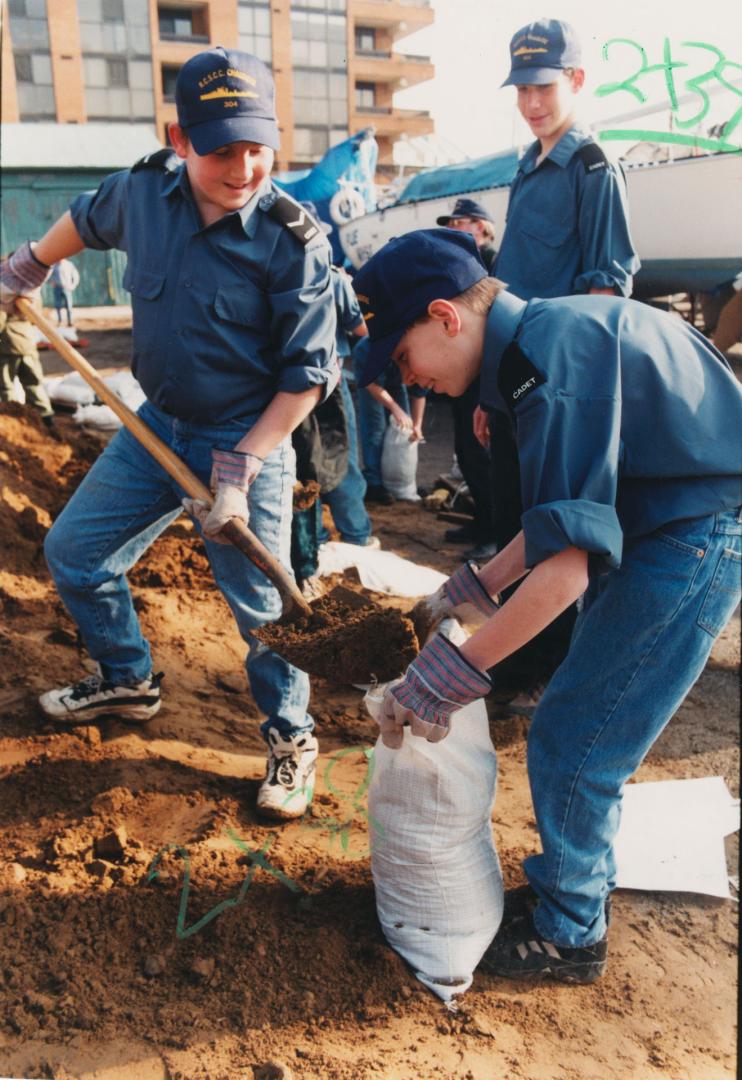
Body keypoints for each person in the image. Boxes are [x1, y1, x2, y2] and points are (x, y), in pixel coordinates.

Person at [353, 227, 741, 984]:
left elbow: (564, 575)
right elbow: (563, 518)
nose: (412, 382)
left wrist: (453, 673)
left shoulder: (549, 362)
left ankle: (569, 934)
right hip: (668, 525)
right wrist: (479, 584)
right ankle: (573, 898)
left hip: (694, 535)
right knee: (582, 721)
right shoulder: (542, 343)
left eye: (404, 360)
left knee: (575, 739)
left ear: (446, 316)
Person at [0, 47, 339, 821]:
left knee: (264, 609)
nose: (244, 166)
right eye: (223, 149)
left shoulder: (294, 241)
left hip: (245, 439)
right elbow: (86, 218)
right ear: (180, 139)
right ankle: (128, 677)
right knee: (75, 554)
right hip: (157, 426)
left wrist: (244, 464)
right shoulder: (144, 194)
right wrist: (25, 265)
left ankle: (292, 738)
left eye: (258, 147)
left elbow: (308, 376)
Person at [484, 16, 641, 701]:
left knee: (554, 527)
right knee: (508, 515)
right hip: (516, 371)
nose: (531, 103)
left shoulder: (591, 167)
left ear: (576, 81)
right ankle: (514, 652)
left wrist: (566, 399)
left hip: (560, 383)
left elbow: (606, 291)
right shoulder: (526, 166)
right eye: (521, 90)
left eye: (543, 87)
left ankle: (538, 672)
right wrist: (494, 391)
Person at [437, 197, 498, 559]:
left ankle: (494, 531)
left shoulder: (491, 262)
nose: (451, 229)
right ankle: (480, 520)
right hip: (465, 368)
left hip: (484, 369)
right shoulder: (465, 262)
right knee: (465, 449)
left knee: (483, 452)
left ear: (480, 226)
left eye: (458, 224)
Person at [355, 337, 426, 504]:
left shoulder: (421, 363)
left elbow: (419, 394)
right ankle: (374, 482)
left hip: (397, 368)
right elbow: (372, 385)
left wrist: (417, 425)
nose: (413, 382)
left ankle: (399, 484)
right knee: (376, 424)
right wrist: (395, 408)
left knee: (405, 429)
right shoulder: (374, 351)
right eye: (411, 379)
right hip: (370, 369)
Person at [0, 289, 55, 427]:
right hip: (28, 342)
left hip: (8, 346)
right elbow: (35, 317)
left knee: (7, 387)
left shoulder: (4, 288)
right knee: (34, 384)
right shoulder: (31, 290)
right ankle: (46, 419)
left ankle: (13, 421)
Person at [436, 197, 497, 271]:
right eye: (448, 225)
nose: (449, 229)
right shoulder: (464, 259)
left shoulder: (494, 262)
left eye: (455, 223)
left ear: (479, 226)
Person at [49, 257, 81, 327]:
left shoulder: (69, 265)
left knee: (69, 306)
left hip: (67, 288)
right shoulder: (54, 266)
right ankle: (60, 321)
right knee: (58, 305)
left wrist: (73, 285)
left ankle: (70, 321)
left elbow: (75, 275)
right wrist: (51, 282)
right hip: (57, 288)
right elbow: (48, 276)